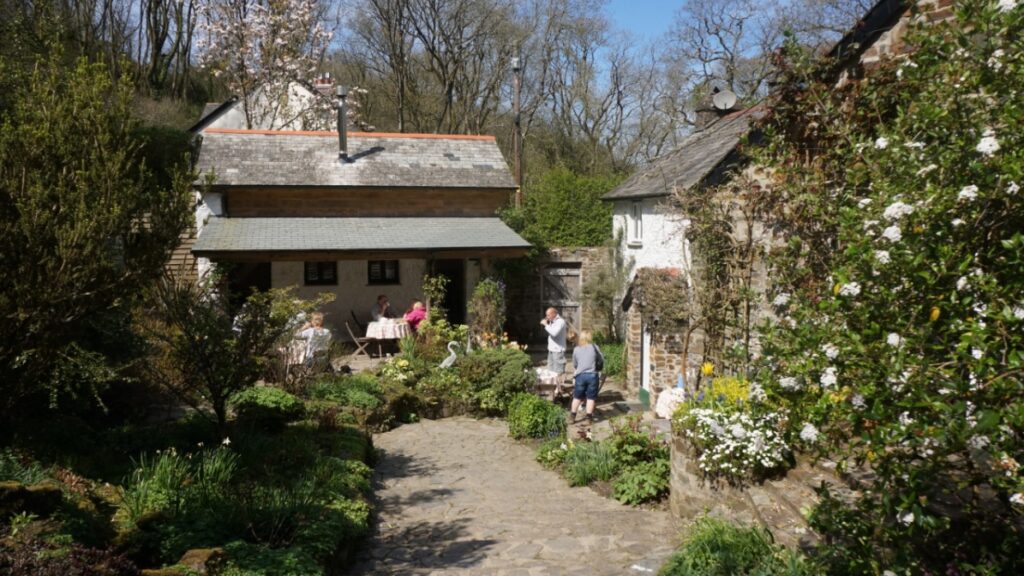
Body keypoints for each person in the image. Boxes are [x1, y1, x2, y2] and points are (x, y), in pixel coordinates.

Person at [570, 330, 604, 423]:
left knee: (577, 397)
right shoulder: (595, 347)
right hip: (593, 376)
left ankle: (572, 416)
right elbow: (601, 359)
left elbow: (575, 364)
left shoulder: (576, 349)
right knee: (591, 398)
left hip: (580, 376)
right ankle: (589, 418)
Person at [540, 306, 567, 373]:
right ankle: (552, 383)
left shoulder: (560, 321)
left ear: (554, 314)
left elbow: (554, 333)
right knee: (550, 371)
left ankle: (559, 383)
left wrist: (546, 325)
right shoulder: (552, 321)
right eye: (546, 315)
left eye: (548, 315)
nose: (547, 317)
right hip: (551, 349)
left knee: (558, 371)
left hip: (558, 350)